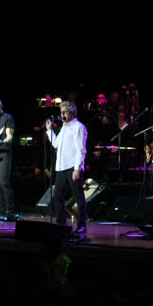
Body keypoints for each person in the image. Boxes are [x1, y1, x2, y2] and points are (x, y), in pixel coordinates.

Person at [45, 100, 88, 234]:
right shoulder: (64, 127)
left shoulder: (78, 127)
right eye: (61, 112)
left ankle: (81, 226)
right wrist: (49, 131)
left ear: (72, 113)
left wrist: (77, 168)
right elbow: (56, 144)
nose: (62, 115)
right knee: (57, 196)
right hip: (61, 167)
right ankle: (61, 223)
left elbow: (81, 149)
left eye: (64, 112)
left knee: (78, 197)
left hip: (72, 167)